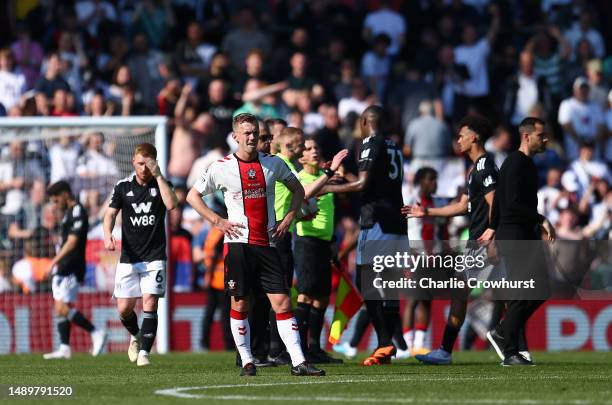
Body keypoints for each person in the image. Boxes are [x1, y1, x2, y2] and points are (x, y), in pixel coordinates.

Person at [186, 113, 324, 377]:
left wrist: (289, 217)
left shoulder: (273, 163)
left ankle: (299, 362)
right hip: (238, 245)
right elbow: (193, 196)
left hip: (268, 245)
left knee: (282, 303)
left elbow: (298, 190)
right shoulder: (221, 167)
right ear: (236, 136)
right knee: (240, 303)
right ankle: (248, 360)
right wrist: (217, 220)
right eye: (246, 133)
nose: (251, 137)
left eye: (255, 133)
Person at [402, 115, 507, 365]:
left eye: (462, 135)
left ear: (475, 138)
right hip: (479, 240)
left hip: (482, 241)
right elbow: (462, 206)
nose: (458, 139)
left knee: (468, 293)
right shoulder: (475, 169)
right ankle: (507, 342)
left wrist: (492, 232)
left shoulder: (484, 167)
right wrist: (428, 212)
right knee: (489, 293)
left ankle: (450, 349)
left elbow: (495, 202)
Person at [321, 105, 407, 366]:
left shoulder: (370, 142)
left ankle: (384, 343)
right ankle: (385, 348)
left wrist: (325, 188)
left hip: (377, 221)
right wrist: (345, 176)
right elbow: (373, 183)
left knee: (366, 282)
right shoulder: (394, 146)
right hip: (397, 222)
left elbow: (362, 185)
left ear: (363, 122)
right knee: (389, 285)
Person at [487, 117, 556, 366]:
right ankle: (509, 349)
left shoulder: (522, 163)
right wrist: (541, 219)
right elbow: (512, 204)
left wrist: (492, 227)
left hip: (521, 234)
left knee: (540, 291)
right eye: (541, 135)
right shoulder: (516, 163)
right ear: (527, 136)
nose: (545, 139)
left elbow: (499, 202)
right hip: (515, 235)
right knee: (524, 292)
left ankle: (503, 331)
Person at [103, 143, 178, 367]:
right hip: (130, 256)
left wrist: (160, 176)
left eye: (148, 163)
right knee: (124, 309)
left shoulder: (162, 184)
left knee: (150, 301)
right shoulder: (123, 186)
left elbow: (172, 205)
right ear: (134, 162)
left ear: (155, 162)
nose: (144, 168)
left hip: (155, 256)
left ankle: (145, 352)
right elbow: (110, 214)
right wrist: (107, 234)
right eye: (140, 163)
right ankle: (136, 336)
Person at [43, 181, 107, 359]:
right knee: (60, 307)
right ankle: (64, 348)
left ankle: (96, 332)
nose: (55, 205)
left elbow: (72, 242)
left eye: (56, 200)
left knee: (63, 308)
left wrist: (53, 261)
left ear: (65, 194)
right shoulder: (68, 214)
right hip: (63, 265)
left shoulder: (78, 211)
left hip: (72, 265)